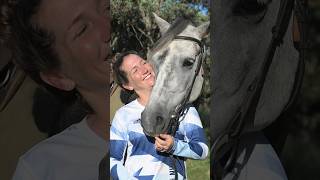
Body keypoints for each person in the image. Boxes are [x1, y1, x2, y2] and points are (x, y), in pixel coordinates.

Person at [3, 0, 110, 179]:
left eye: (107, 7)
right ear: (58, 78)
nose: (108, 26)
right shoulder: (44, 169)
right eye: (82, 29)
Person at [110, 51, 209, 180]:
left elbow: (202, 150)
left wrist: (175, 146)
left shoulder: (183, 107)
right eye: (135, 70)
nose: (144, 70)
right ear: (127, 85)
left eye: (144, 62)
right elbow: (112, 159)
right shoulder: (123, 115)